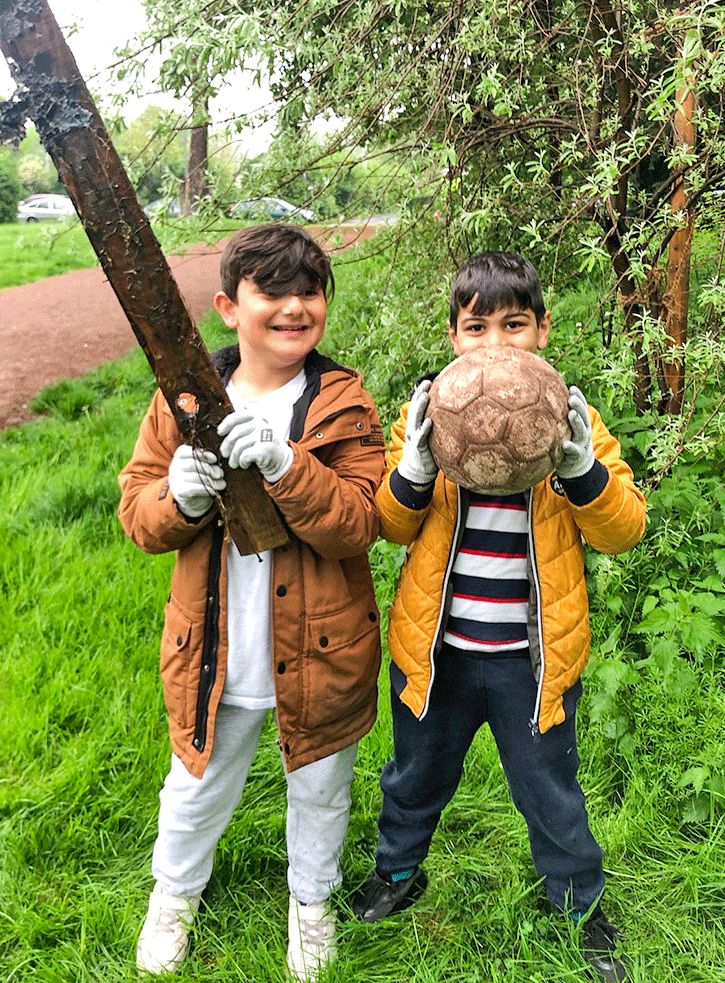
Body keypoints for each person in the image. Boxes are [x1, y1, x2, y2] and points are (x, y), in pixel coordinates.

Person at [351, 250, 646, 983]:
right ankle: (398, 873)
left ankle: (579, 904)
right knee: (413, 776)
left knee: (550, 788)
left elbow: (623, 530)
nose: (495, 344)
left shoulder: (574, 419)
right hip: (437, 656)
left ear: (542, 330)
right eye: (476, 326)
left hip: (532, 660)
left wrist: (581, 468)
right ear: (454, 336)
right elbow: (388, 524)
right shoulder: (425, 415)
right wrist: (414, 470)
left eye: (514, 325)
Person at [118, 224, 386, 980]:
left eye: (310, 292)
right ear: (229, 307)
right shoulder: (183, 398)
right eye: (273, 291)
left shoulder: (343, 402)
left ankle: (311, 903)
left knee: (323, 791)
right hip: (217, 650)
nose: (295, 306)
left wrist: (285, 463)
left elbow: (360, 522)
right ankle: (172, 897)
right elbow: (139, 516)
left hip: (324, 647)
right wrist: (181, 497)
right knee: (196, 786)